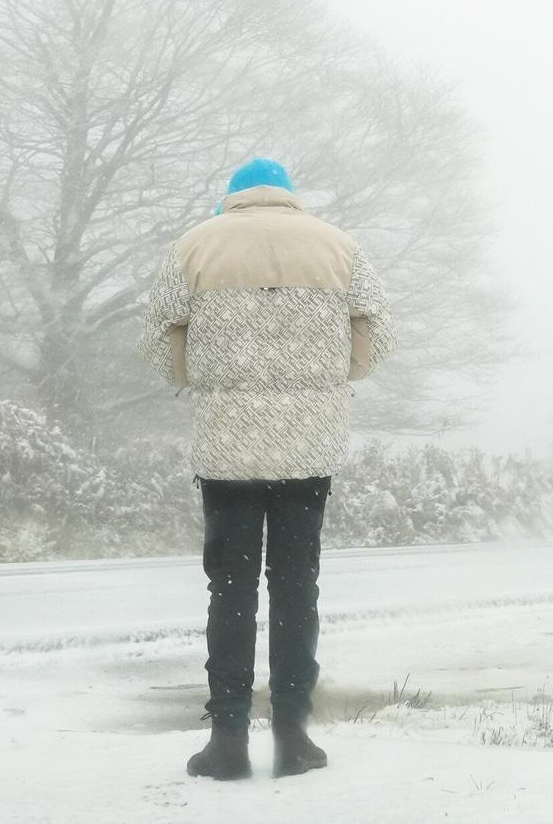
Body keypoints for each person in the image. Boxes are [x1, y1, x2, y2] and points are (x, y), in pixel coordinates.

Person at [142, 157, 395, 781]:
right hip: (308, 450)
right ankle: (292, 738)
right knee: (295, 586)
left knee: (230, 589)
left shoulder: (194, 246)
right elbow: (377, 340)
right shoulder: (340, 247)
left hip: (227, 450)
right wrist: (327, 379)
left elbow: (160, 344)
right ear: (288, 196)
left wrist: (201, 380)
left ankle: (228, 740)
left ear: (233, 196)